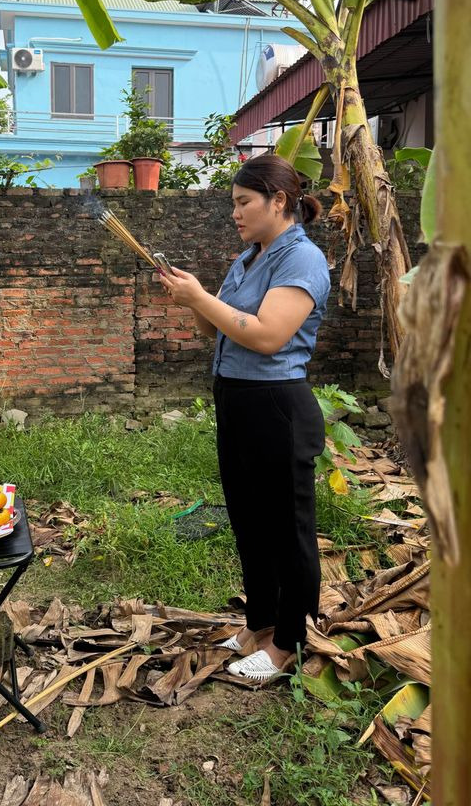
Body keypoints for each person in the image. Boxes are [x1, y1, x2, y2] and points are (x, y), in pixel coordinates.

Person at [159, 153, 330, 684]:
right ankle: (259, 625)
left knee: (286, 528)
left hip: (278, 404)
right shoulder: (249, 258)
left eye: (243, 202)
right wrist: (191, 300)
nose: (234, 213)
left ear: (279, 201)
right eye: (233, 203)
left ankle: (287, 643)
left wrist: (202, 297)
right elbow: (220, 331)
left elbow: (266, 334)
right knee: (249, 520)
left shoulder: (301, 260)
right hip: (236, 398)